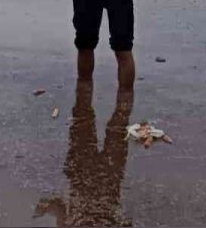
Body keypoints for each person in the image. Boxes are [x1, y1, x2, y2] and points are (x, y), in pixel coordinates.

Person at [34, 80, 133, 226]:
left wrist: (50, 207)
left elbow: (60, 210)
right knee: (123, 58)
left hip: (88, 196)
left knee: (92, 133)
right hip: (100, 200)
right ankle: (125, 92)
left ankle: (86, 85)